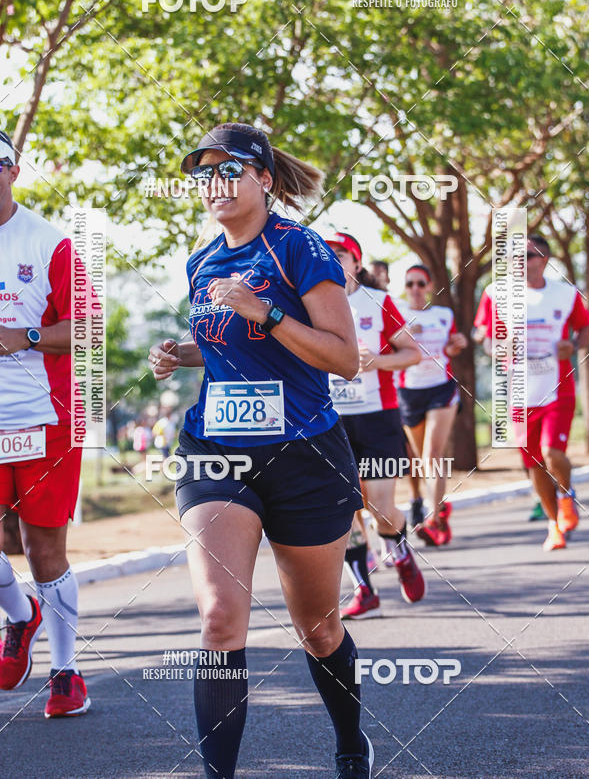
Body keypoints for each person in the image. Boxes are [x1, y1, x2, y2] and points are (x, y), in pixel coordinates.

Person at [149, 123, 374, 778]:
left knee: (318, 629)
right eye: (203, 173)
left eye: (230, 170)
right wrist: (183, 354)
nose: (214, 184)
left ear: (265, 179)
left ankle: (351, 743)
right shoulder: (200, 261)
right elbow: (233, 352)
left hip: (305, 454)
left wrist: (265, 312)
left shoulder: (300, 248)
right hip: (216, 451)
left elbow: (346, 358)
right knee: (220, 618)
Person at [0, 130, 90, 717]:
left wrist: (24, 337)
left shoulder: (50, 243)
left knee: (42, 550)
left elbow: (86, 330)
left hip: (44, 421)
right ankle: (22, 616)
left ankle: (66, 673)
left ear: (10, 171)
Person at [325, 233, 426, 619]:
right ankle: (362, 589)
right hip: (331, 421)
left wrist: (375, 361)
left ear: (356, 262)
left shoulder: (378, 302)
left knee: (381, 508)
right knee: (344, 509)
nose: (332, 260)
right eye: (325, 254)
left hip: (378, 416)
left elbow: (412, 354)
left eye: (340, 255)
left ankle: (399, 554)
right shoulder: (308, 305)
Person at [478, 236, 589, 551]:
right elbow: (486, 339)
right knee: (534, 464)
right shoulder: (495, 294)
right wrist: (499, 348)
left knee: (552, 453)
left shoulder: (565, 294)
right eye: (515, 257)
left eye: (527, 255)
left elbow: (584, 330)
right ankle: (554, 525)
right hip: (519, 392)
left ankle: (566, 496)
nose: (519, 261)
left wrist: (574, 345)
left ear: (545, 258)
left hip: (557, 387)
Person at [396, 265, 468, 545]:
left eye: (420, 283)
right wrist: (404, 333)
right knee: (419, 460)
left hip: (441, 388)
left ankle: (432, 518)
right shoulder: (396, 312)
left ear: (429, 285)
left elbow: (450, 347)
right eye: (410, 283)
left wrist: (458, 343)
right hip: (409, 392)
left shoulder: (443, 315)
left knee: (432, 455)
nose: (415, 288)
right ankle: (440, 510)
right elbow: (387, 348)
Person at [473, 279, 545, 522]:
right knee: (527, 444)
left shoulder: (550, 294)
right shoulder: (495, 294)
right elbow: (484, 338)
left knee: (550, 445)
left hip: (550, 378)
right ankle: (540, 497)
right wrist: (504, 346)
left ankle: (558, 493)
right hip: (517, 381)